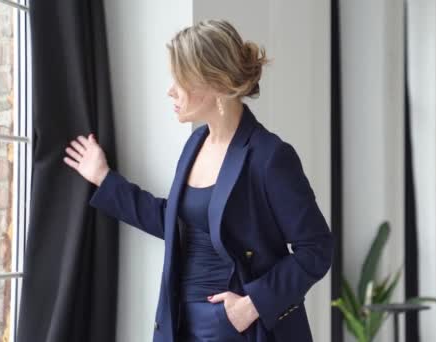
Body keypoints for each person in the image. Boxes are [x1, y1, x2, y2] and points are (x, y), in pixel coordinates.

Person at [63, 19, 333, 342]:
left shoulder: (269, 157)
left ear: (215, 84)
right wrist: (104, 179)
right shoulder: (195, 145)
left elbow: (317, 248)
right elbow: (173, 222)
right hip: (180, 323)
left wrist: (252, 305)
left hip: (242, 329)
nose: (170, 90)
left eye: (180, 79)